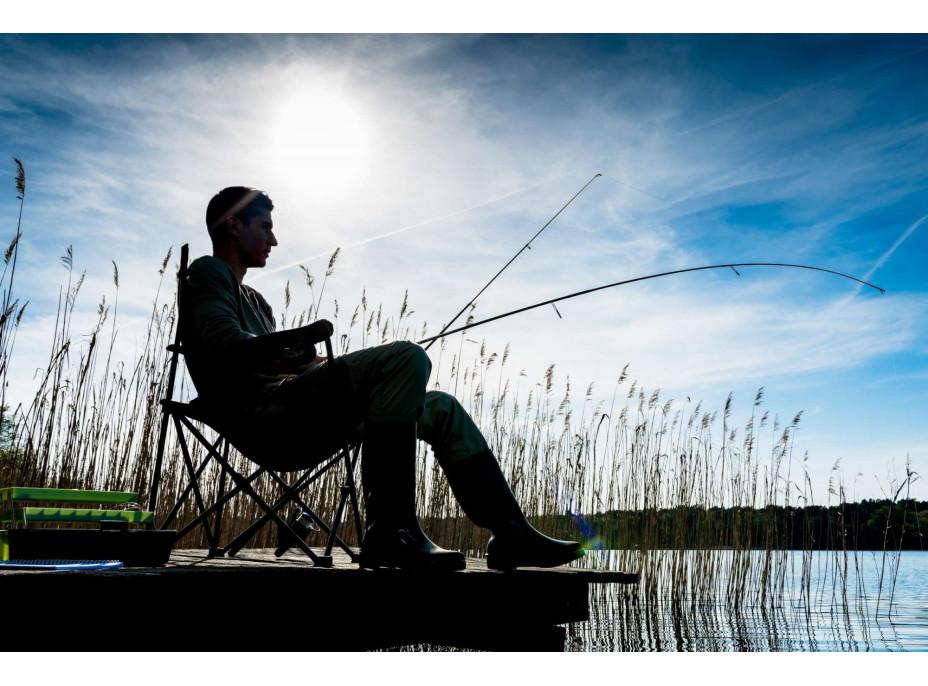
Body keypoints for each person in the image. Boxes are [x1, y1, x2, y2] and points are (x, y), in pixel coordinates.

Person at [180, 186, 584, 572]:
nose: (274, 239)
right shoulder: (207, 272)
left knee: (442, 408)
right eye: (265, 226)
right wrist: (298, 340)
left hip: (298, 409)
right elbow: (224, 346)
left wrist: (308, 359)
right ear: (234, 226)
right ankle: (391, 531)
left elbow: (275, 358)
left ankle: (512, 533)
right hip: (263, 418)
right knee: (405, 356)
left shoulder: (257, 301)